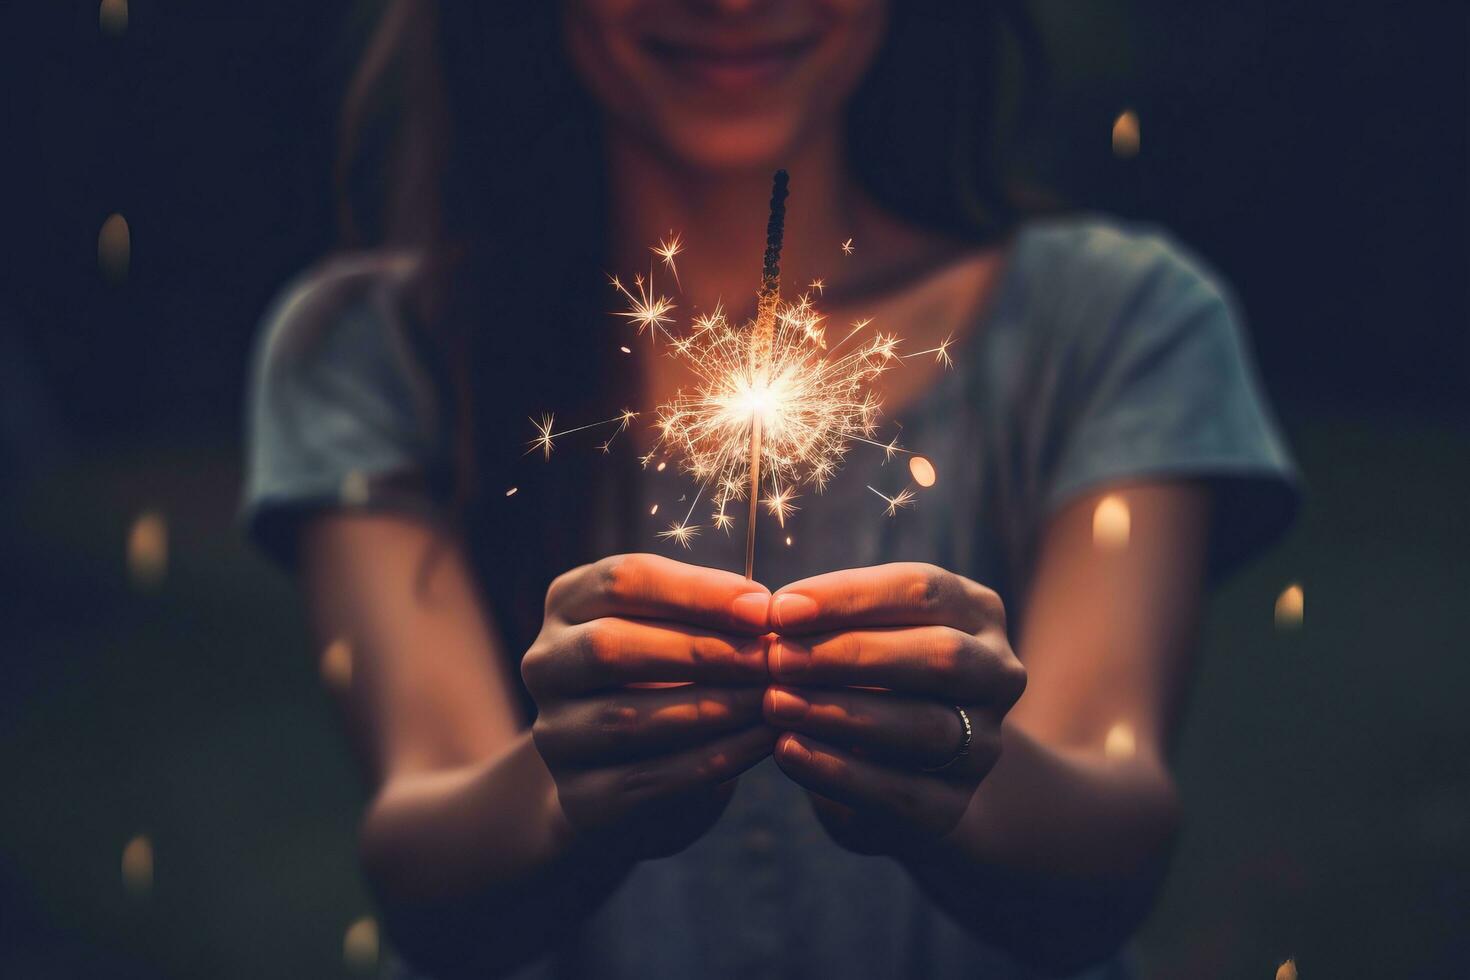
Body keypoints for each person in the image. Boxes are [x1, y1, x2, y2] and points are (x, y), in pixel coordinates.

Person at [243, 3, 1297, 977]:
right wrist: (557, 788)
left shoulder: (1114, 323)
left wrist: (967, 768)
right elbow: (424, 865)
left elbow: (1112, 848)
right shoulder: (378, 350)